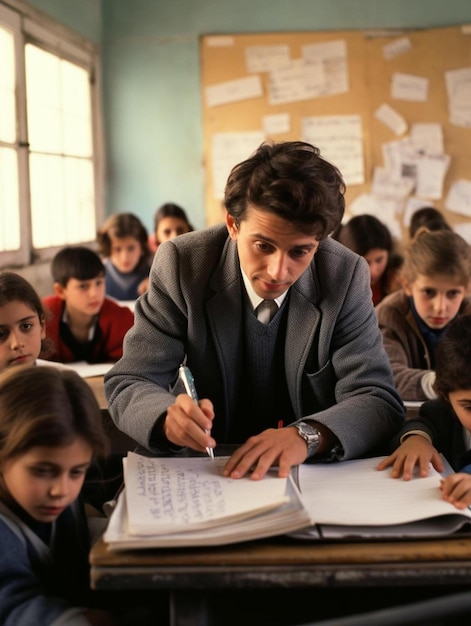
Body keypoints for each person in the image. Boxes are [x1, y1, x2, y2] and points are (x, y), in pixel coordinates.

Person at [105, 140, 404, 481]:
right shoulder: (182, 264)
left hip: (309, 475)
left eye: (300, 252)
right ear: (233, 224)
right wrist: (164, 417)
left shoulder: (345, 275)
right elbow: (130, 381)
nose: (279, 271)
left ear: (320, 240)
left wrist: (306, 436)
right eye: (263, 245)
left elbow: (376, 398)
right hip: (207, 473)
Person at [0, 365, 115, 625]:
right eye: (42, 471)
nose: (61, 491)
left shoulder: (50, 493)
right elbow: (10, 605)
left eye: (77, 472)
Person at [377, 314, 471, 510]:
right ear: (446, 396)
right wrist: (417, 439)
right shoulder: (442, 412)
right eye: (469, 407)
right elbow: (424, 421)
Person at [375, 227, 471, 402]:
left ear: (466, 290)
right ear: (407, 285)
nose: (440, 307)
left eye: (453, 293)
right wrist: (448, 383)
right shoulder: (389, 314)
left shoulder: (468, 312)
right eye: (429, 292)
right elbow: (388, 376)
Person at [42, 246, 134, 364]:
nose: (94, 294)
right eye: (83, 286)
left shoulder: (120, 317)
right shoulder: (43, 317)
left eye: (99, 283)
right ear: (60, 290)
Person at [332, 214, 402, 306]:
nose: (373, 271)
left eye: (379, 260)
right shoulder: (334, 285)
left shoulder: (396, 276)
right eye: (365, 262)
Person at [0, 271, 52, 371]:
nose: (17, 343)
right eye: (1, 334)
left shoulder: (63, 380)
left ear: (42, 327)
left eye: (26, 326)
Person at [97, 213, 152, 301]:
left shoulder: (153, 274)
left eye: (131, 248)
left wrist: (155, 287)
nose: (125, 257)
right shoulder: (97, 275)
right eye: (117, 249)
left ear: (142, 247)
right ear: (108, 249)